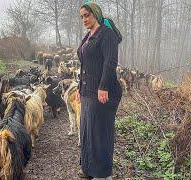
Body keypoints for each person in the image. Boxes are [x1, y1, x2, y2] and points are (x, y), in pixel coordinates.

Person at [76, 2, 122, 180]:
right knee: (87, 132)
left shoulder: (106, 34)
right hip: (88, 92)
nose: (84, 19)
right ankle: (88, 169)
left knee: (100, 133)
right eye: (82, 17)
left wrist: (103, 87)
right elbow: (85, 64)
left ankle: (102, 174)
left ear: (96, 14)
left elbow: (110, 62)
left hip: (102, 93)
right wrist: (80, 88)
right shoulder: (89, 36)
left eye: (87, 15)